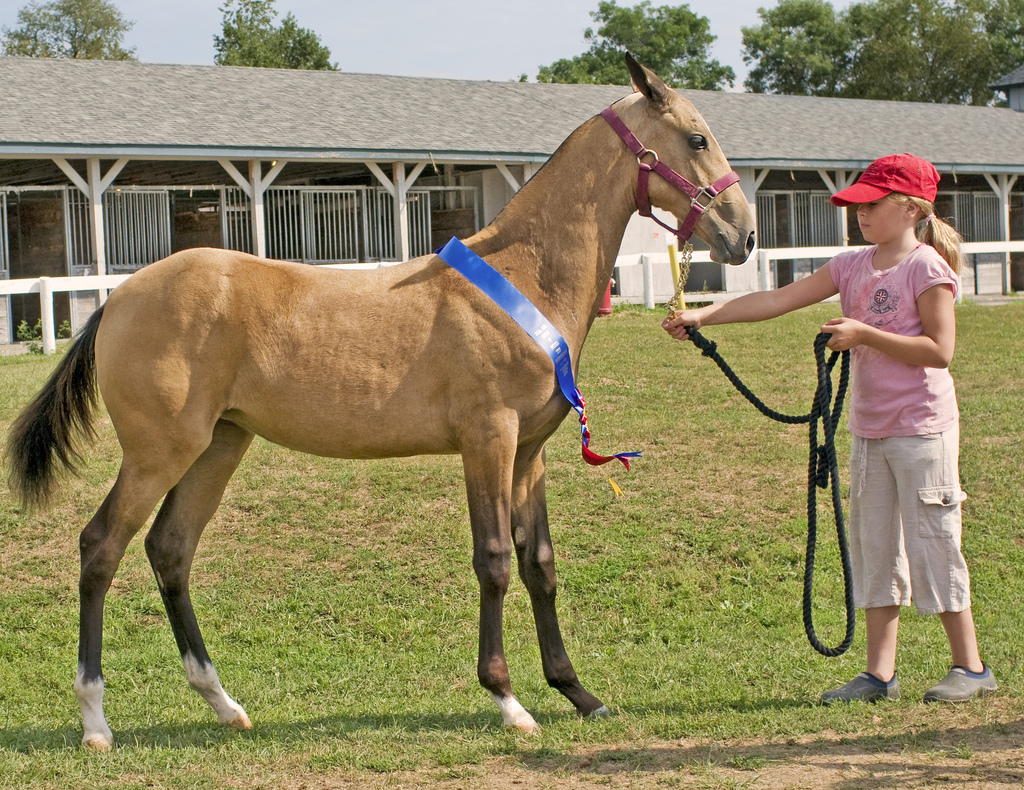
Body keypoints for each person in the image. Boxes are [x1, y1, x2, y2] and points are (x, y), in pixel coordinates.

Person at [663, 153, 996, 705]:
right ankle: (878, 674)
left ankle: (970, 666)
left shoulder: (927, 269)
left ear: (910, 208)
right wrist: (705, 315)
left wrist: (865, 334)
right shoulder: (851, 265)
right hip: (870, 430)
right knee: (875, 547)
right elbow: (777, 299)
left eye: (872, 203)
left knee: (935, 542)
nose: (860, 213)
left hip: (922, 430)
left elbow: (939, 351)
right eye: (857, 204)